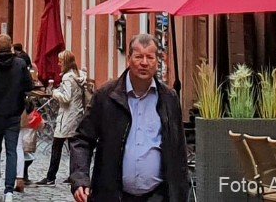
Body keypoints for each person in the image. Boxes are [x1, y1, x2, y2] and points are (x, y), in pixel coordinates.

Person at [69, 34, 188, 202]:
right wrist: (80, 177)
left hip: (157, 195)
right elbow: (82, 139)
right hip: (113, 194)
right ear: (129, 59)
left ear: (157, 61)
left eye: (150, 57)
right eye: (139, 56)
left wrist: (181, 192)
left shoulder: (169, 98)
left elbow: (178, 149)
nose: (144, 63)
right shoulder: (107, 96)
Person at [0, 33, 34, 202]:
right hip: (13, 114)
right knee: (12, 152)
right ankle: (9, 190)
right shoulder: (20, 64)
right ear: (10, 46)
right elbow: (29, 86)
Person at [40, 50, 86, 186]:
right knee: (74, 147)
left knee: (57, 146)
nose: (59, 63)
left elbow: (66, 98)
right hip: (76, 114)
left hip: (67, 116)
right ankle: (74, 175)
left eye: (60, 61)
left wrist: (55, 92)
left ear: (65, 62)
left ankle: (50, 177)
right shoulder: (78, 75)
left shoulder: (67, 77)